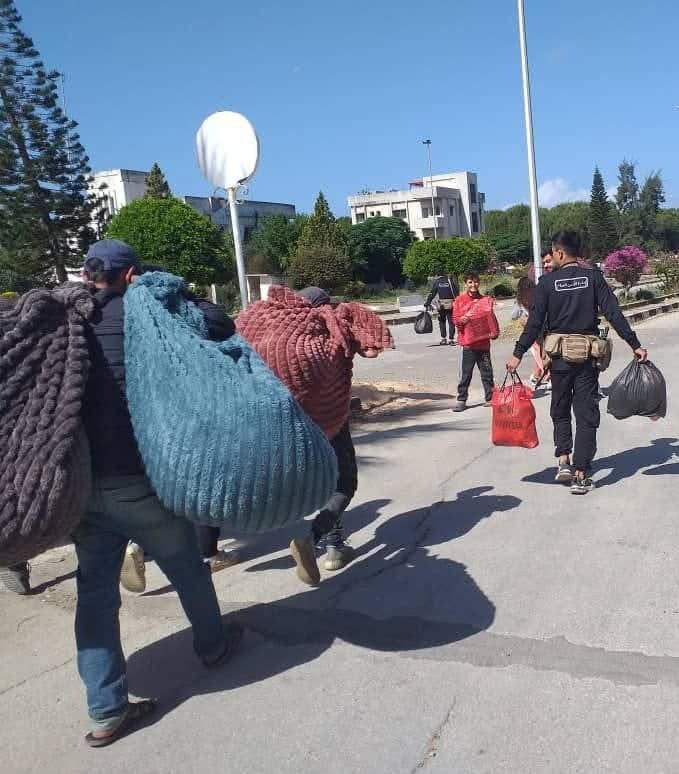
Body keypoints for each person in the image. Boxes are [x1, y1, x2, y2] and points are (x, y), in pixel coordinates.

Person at [74, 240, 242, 747]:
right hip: (141, 477)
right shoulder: (153, 313)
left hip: (83, 487)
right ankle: (213, 647)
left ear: (88, 276)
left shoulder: (67, 321)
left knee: (95, 598)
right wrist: (174, 289)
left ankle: (106, 711)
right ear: (131, 276)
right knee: (187, 566)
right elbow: (221, 325)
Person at [235, 285, 393, 585]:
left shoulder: (267, 329)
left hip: (287, 425)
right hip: (331, 418)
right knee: (343, 483)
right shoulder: (330, 331)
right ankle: (319, 540)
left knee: (314, 484)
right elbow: (372, 348)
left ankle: (334, 545)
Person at [118, 271, 240, 594]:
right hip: (192, 414)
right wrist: (187, 295)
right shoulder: (184, 313)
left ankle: (137, 544)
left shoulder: (127, 316)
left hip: (145, 418)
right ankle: (209, 554)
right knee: (206, 485)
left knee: (158, 491)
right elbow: (223, 324)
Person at [507, 230, 648, 495]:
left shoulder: (547, 284)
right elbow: (614, 314)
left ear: (559, 253)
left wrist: (518, 353)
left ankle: (563, 460)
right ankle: (581, 473)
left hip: (559, 360)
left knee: (560, 409)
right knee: (585, 414)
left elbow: (535, 323)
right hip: (586, 360)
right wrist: (634, 344)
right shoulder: (593, 278)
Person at [452, 272, 497, 412]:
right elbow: (455, 319)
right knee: (466, 373)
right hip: (468, 344)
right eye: (470, 282)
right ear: (465, 284)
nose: (473, 285)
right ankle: (461, 399)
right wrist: (462, 319)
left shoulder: (485, 300)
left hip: (483, 344)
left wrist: (494, 332)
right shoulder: (459, 300)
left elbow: (491, 319)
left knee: (487, 372)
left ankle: (490, 398)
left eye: (476, 282)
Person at [425, 267, 459, 345]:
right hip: (451, 304)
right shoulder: (450, 280)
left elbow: (432, 293)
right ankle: (451, 340)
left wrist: (427, 302)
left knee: (442, 321)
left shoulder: (437, 282)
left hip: (441, 305)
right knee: (451, 322)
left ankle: (443, 339)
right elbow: (455, 291)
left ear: (437, 275)